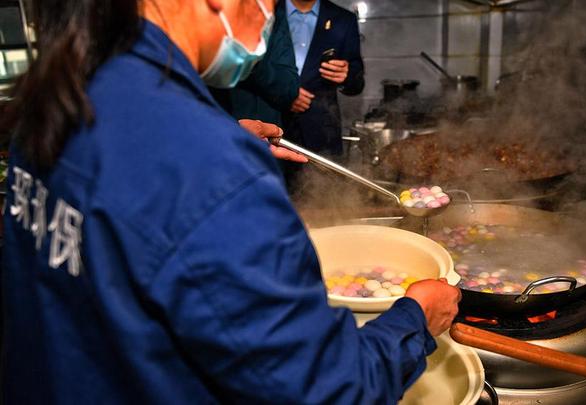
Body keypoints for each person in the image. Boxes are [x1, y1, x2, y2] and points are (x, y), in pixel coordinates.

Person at [0, 0, 460, 404]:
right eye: (268, 4)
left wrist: (217, 144)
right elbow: (327, 390)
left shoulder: (59, 96)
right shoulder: (212, 169)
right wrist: (415, 320)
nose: (268, 22)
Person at [282, 0, 365, 156]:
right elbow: (247, 68)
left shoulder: (343, 19)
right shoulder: (267, 12)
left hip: (321, 133)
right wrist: (282, 92)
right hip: (270, 127)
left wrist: (346, 76)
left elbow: (357, 81)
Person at [210, 0, 300, 128]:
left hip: (263, 130)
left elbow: (289, 89)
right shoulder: (208, 17)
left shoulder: (273, 15)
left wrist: (251, 62)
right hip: (213, 125)